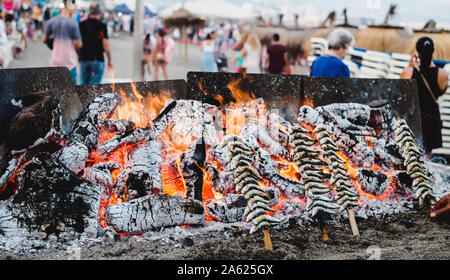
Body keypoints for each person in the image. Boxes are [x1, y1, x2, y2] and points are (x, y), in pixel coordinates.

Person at [400, 37, 449, 158]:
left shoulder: (408, 72)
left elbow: (401, 91)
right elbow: (442, 91)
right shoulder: (442, 74)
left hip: (413, 117)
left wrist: (410, 66)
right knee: (427, 155)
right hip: (431, 117)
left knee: (409, 153)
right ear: (433, 51)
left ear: (417, 52)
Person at [42, 0, 82, 84]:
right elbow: (79, 44)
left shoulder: (52, 21)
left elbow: (44, 40)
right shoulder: (73, 22)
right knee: (73, 92)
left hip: (55, 62)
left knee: (56, 91)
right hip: (69, 64)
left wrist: (54, 44)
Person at [78, 3, 113, 85]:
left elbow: (77, 44)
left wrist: (79, 55)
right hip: (97, 59)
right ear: (100, 12)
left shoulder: (81, 25)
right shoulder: (102, 26)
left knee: (83, 87)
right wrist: (109, 60)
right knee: (95, 88)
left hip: (84, 58)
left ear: (89, 12)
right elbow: (106, 46)